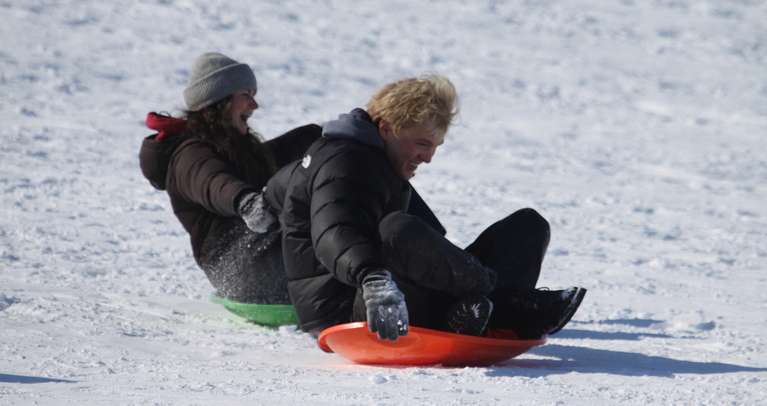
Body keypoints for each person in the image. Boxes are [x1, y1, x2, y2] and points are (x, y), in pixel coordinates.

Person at [268, 73, 586, 341]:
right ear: (386, 128)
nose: (429, 157)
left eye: (434, 146)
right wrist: (374, 280)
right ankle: (504, 307)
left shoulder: (364, 159)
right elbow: (335, 231)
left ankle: (476, 311)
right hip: (355, 309)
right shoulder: (347, 161)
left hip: (388, 290)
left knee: (526, 225)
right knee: (397, 229)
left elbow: (285, 183)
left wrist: (265, 201)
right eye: (422, 143)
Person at [139, 52, 321, 304]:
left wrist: (329, 136)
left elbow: (272, 158)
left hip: (262, 261)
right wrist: (244, 202)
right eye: (245, 96)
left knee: (316, 147)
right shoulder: (189, 154)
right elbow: (212, 181)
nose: (254, 106)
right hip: (243, 273)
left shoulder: (233, 148)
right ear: (218, 102)